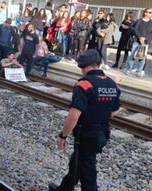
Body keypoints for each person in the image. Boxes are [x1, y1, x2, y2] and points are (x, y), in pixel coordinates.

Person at [49, 49, 122, 191]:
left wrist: (63, 135)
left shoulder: (84, 84)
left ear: (85, 66)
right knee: (77, 163)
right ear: (99, 63)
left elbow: (74, 115)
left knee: (87, 172)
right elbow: (115, 110)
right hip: (102, 133)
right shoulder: (112, 84)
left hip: (86, 134)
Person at [125, 8, 152, 76]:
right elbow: (134, 29)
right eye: (149, 12)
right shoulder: (139, 21)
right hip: (137, 41)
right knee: (132, 56)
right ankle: (129, 69)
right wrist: (140, 37)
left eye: (151, 12)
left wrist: (145, 39)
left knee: (142, 57)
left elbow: (151, 33)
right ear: (145, 13)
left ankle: (139, 71)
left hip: (145, 43)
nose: (151, 14)